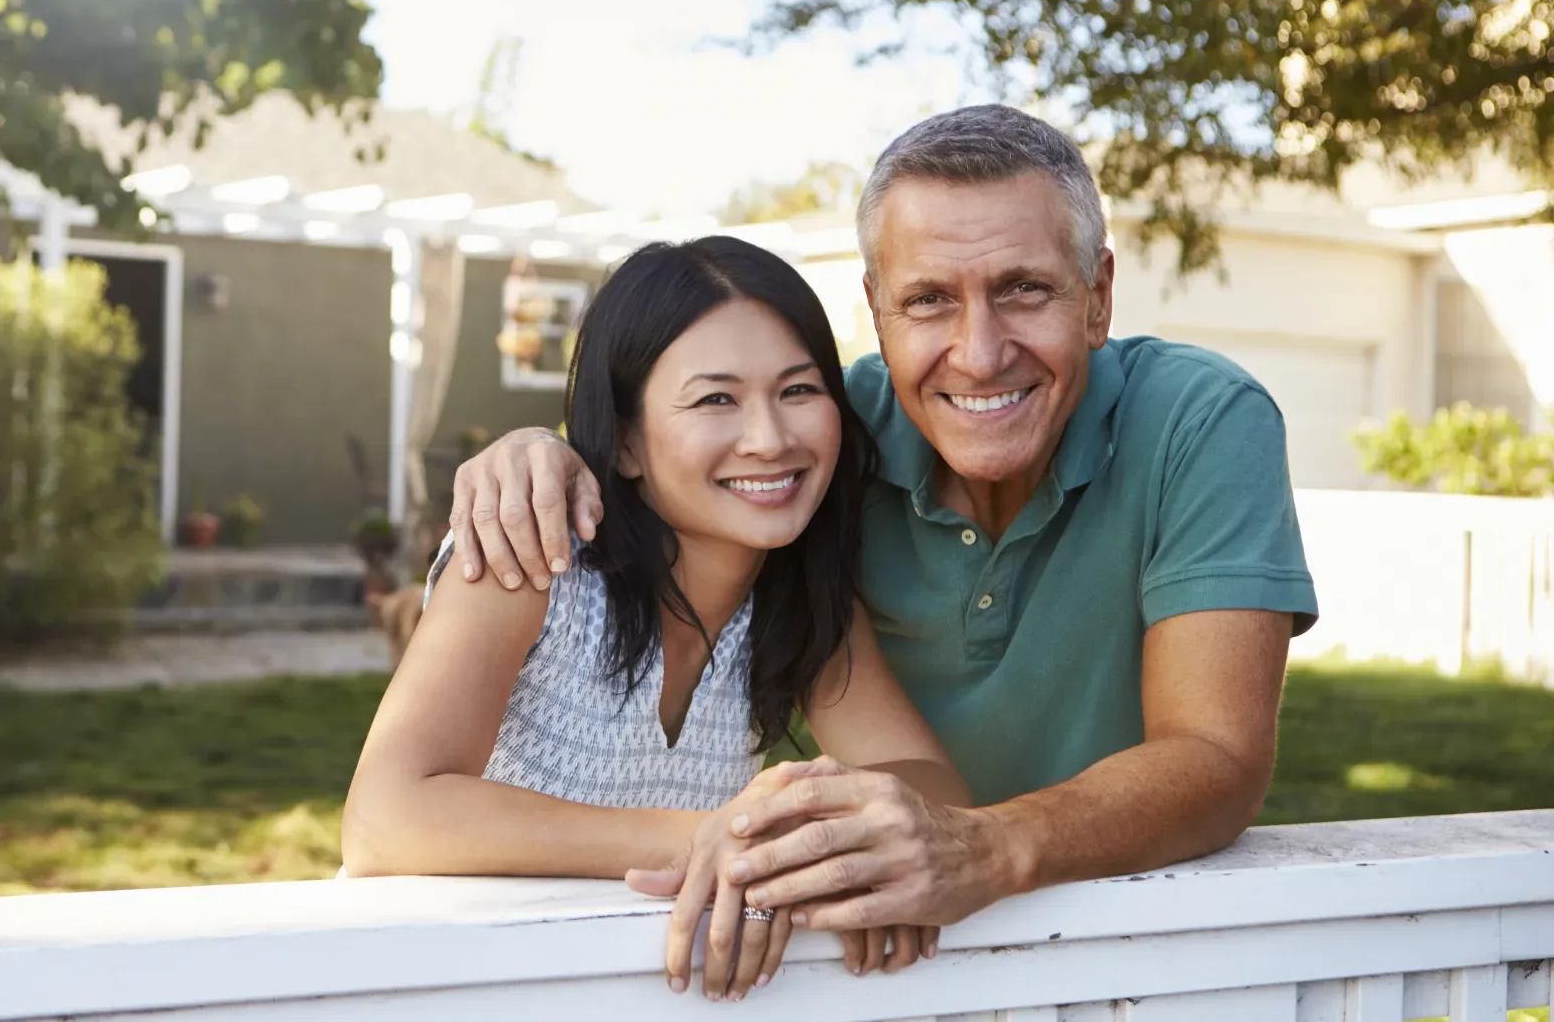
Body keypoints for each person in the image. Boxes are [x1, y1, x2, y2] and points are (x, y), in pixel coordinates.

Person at [444, 105, 1320, 959]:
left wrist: (979, 846)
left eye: (1024, 289)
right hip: (878, 954)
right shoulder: (826, 440)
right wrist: (544, 453)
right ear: (877, 310)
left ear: (1098, 297)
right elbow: (681, 448)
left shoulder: (1200, 421)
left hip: (1114, 942)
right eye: (929, 299)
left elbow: (1214, 754)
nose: (980, 353)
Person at [341, 236, 972, 1002]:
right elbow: (385, 818)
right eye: (715, 399)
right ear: (629, 440)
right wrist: (728, 840)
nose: (770, 438)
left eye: (799, 390)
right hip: (431, 985)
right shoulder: (535, 557)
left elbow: (938, 794)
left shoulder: (801, 604)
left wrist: (793, 825)